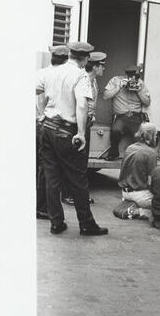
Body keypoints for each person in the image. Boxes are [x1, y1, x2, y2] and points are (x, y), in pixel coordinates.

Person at [36, 41, 108, 236]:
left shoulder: (52, 72)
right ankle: (86, 224)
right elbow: (82, 104)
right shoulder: (80, 75)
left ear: (70, 55)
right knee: (78, 179)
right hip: (66, 130)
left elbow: (36, 91)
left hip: (48, 128)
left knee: (52, 179)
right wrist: (81, 133)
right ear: (85, 59)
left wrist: (41, 114)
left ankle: (56, 222)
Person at [62, 51, 107, 206]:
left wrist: (92, 116)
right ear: (94, 67)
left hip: (87, 123)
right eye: (102, 66)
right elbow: (79, 104)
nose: (104, 69)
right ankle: (68, 194)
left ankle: (78, 194)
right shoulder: (84, 80)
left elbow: (91, 103)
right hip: (78, 124)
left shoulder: (93, 82)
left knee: (82, 162)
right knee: (75, 160)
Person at [36, 45, 69, 219]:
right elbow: (42, 98)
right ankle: (44, 207)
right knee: (50, 170)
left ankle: (41, 205)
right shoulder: (59, 75)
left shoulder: (42, 73)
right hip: (51, 124)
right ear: (65, 60)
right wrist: (43, 115)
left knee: (43, 167)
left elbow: (38, 94)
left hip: (41, 124)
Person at [102, 64, 151, 160]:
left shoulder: (141, 84)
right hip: (121, 116)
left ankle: (139, 158)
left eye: (135, 76)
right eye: (130, 76)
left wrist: (139, 91)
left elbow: (147, 102)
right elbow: (105, 96)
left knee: (139, 137)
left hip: (136, 117)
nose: (132, 79)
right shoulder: (116, 80)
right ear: (126, 75)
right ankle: (114, 153)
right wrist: (118, 87)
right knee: (115, 131)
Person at [118, 122, 158, 220]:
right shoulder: (151, 153)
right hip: (140, 195)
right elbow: (151, 181)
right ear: (151, 136)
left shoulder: (130, 148)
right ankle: (139, 211)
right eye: (155, 135)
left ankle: (129, 203)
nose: (156, 137)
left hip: (125, 192)